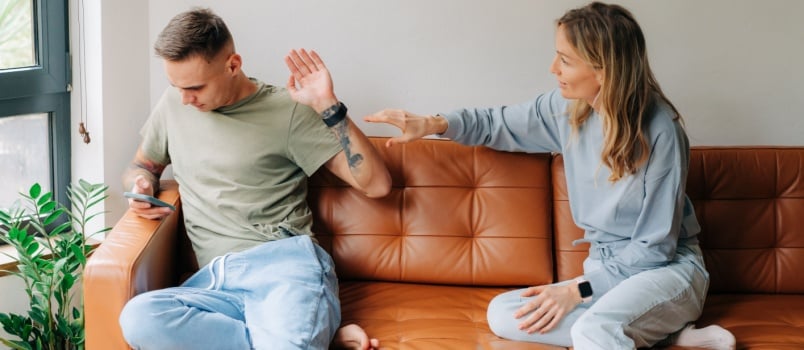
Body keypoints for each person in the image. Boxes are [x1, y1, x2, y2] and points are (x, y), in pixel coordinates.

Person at [365, 2, 735, 350]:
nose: (553, 68)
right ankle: (667, 334)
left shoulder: (661, 131)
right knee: (504, 314)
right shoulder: (568, 109)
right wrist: (433, 123)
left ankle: (650, 324)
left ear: (603, 70)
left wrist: (578, 290)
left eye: (565, 60)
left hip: (667, 272)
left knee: (594, 328)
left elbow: (655, 248)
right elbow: (497, 123)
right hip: (605, 272)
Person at [118, 8, 387, 350]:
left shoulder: (288, 112)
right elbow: (141, 166)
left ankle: (299, 333)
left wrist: (328, 105)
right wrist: (138, 186)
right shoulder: (174, 104)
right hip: (214, 283)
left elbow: (377, 184)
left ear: (232, 65)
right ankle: (310, 336)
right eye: (176, 86)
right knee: (139, 318)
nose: (185, 99)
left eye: (195, 87)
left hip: (285, 268)